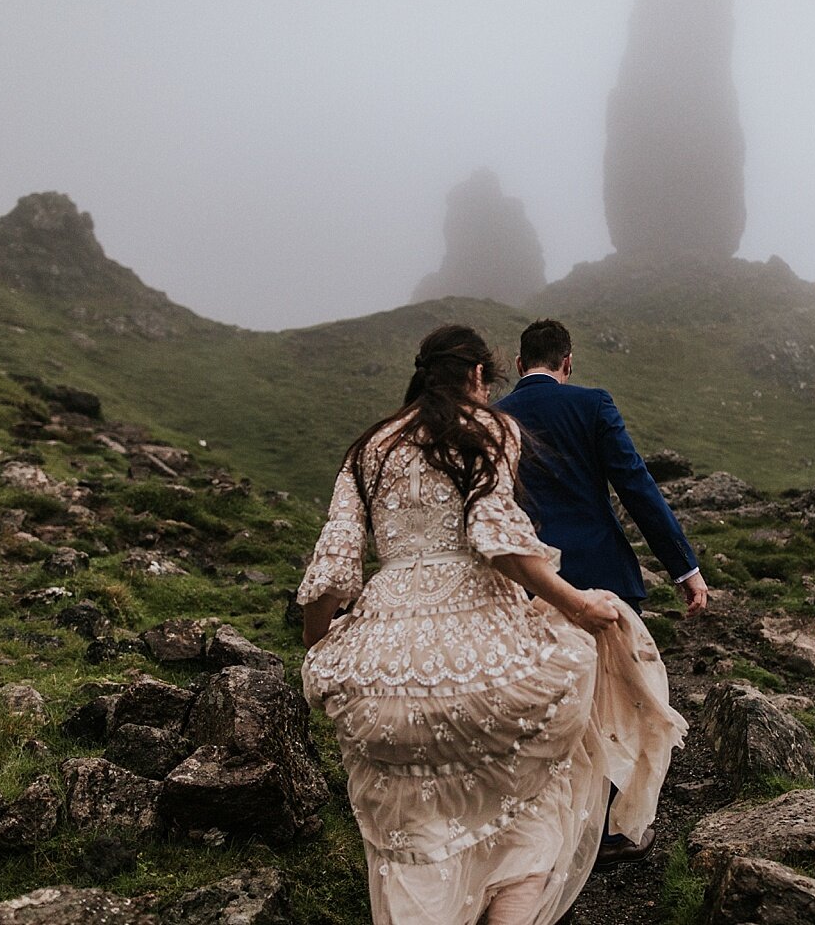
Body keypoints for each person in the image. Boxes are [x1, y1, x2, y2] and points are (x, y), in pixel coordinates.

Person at [297, 324, 686, 925]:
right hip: (480, 646)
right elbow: (495, 537)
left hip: (383, 660)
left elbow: (334, 562)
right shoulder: (490, 429)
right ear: (479, 376)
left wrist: (320, 645)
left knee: (416, 827)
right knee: (534, 789)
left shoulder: (368, 447)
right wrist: (577, 605)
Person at [494, 318, 709, 865]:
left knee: (540, 702)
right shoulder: (592, 405)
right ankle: (611, 831)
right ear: (569, 362)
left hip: (526, 580)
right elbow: (635, 485)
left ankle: (542, 827)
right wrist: (684, 568)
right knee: (612, 702)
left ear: (520, 366)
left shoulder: (495, 418)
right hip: (600, 575)